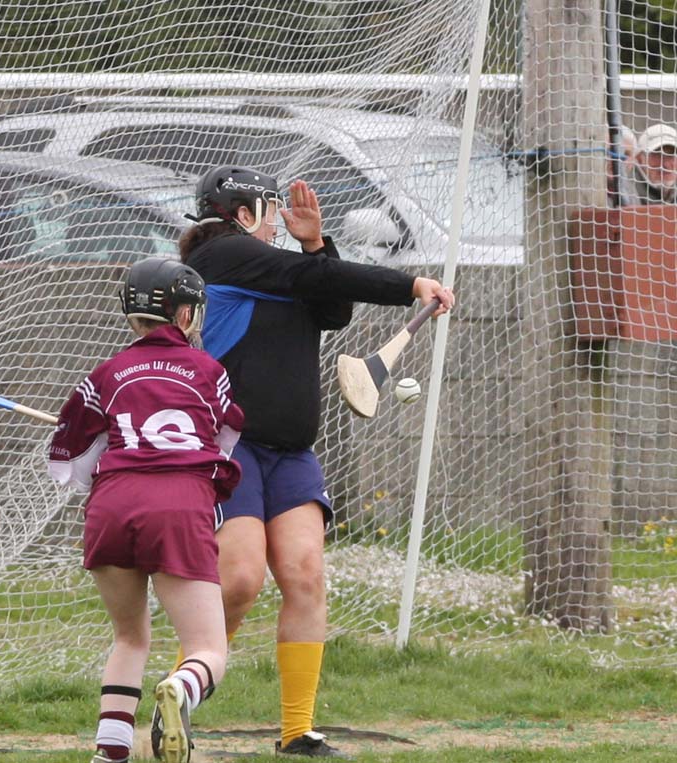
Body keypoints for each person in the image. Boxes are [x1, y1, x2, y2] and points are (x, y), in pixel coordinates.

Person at [151, 166, 454, 758]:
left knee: (305, 575)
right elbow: (316, 279)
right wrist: (412, 283)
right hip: (231, 449)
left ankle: (297, 731)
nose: (276, 222)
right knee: (240, 581)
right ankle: (179, 698)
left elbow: (332, 308)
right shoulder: (221, 255)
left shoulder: (277, 269)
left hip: (291, 452)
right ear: (243, 214)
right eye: (269, 211)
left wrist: (316, 242)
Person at [48, 258, 244, 763]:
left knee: (130, 637)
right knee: (208, 649)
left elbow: (68, 466)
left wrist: (105, 443)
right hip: (178, 503)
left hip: (113, 505)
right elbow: (225, 440)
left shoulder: (106, 374)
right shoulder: (210, 371)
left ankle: (109, 752)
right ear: (184, 314)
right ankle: (181, 687)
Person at [618, 123, 677, 206]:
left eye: (671, 155)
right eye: (657, 155)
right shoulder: (624, 191)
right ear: (639, 159)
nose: (665, 165)